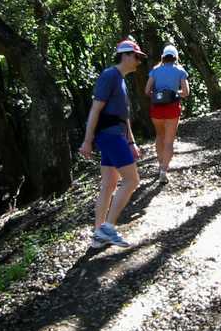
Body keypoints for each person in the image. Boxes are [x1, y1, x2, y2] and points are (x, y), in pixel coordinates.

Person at [79, 38, 146, 248]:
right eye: (136, 57)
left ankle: (98, 234)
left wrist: (131, 142)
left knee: (108, 185)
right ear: (125, 55)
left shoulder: (121, 80)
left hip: (116, 136)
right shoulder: (109, 76)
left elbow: (123, 117)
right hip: (109, 137)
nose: (138, 61)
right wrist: (88, 141)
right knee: (132, 181)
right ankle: (108, 228)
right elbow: (95, 109)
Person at [144, 44, 190, 184]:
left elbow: (147, 91)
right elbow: (186, 92)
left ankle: (160, 165)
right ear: (175, 57)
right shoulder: (180, 71)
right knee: (169, 140)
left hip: (157, 109)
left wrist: (158, 95)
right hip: (172, 108)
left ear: (163, 56)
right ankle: (164, 170)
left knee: (159, 136)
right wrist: (174, 93)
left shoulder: (155, 71)